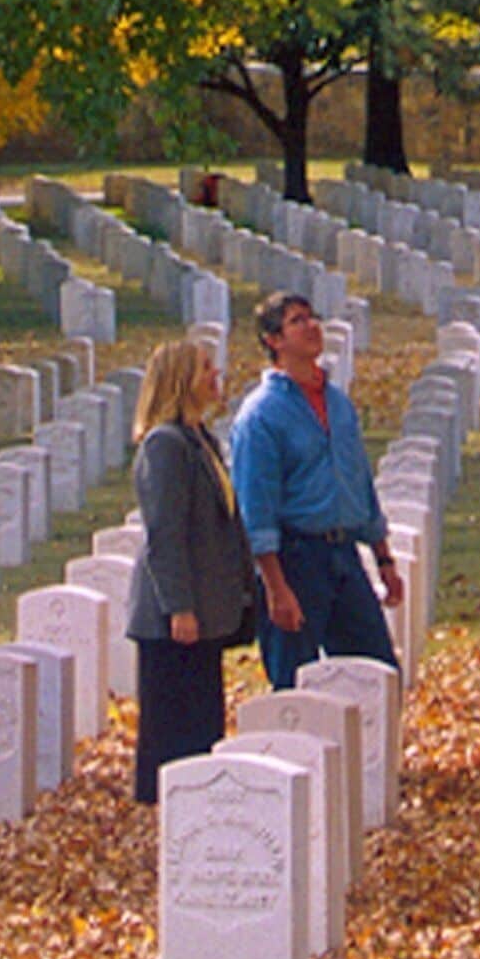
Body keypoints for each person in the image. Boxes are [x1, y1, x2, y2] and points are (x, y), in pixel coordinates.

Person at [231, 289, 404, 689]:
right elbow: (256, 507)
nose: (311, 327)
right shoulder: (261, 415)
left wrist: (384, 558)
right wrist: (276, 588)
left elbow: (360, 482)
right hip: (295, 559)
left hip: (342, 553)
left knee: (377, 676)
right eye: (297, 320)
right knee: (294, 683)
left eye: (311, 317)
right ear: (274, 341)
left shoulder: (339, 404)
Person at [126, 337, 255, 803]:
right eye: (205, 369)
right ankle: (165, 809)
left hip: (205, 608)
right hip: (173, 616)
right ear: (181, 380)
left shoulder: (202, 441)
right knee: (170, 726)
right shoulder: (165, 445)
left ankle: (197, 804)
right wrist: (179, 606)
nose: (216, 376)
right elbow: (165, 532)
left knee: (202, 719)